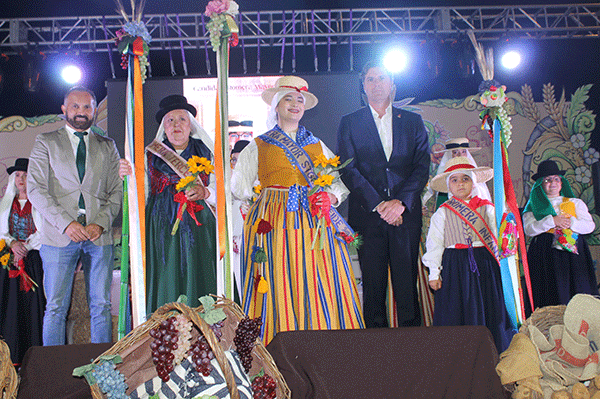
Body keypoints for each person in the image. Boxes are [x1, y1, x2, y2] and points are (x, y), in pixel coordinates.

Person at [232, 76, 364, 344]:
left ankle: (321, 337)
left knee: (317, 276)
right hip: (273, 218)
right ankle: (276, 340)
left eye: (299, 100)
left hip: (313, 219)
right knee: (277, 275)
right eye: (288, 99)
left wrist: (331, 198)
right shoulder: (258, 145)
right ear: (276, 106)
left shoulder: (317, 145)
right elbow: (239, 187)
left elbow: (338, 183)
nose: (294, 104)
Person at [337, 61, 430, 328]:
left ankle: (413, 347)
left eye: (381, 78)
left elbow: (422, 165)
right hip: (368, 216)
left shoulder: (412, 121)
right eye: (370, 79)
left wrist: (400, 203)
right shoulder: (350, 122)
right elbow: (347, 168)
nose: (376, 84)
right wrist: (380, 204)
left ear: (392, 84)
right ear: (363, 86)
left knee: (406, 283)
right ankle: (375, 350)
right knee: (373, 285)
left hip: (405, 215)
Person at [27, 87, 122, 346]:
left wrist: (100, 224)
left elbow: (116, 192)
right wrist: (66, 224)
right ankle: (54, 374)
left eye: (87, 107)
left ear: (94, 110)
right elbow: (35, 189)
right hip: (58, 237)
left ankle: (103, 371)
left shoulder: (107, 145)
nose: (81, 112)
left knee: (101, 306)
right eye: (75, 107)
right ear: (64, 110)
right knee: (56, 308)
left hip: (97, 238)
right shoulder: (45, 141)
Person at [120, 94, 217, 314]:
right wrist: (127, 176)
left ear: (191, 124)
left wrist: (206, 191)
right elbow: (139, 192)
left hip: (199, 223)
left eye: (182, 119)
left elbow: (223, 188)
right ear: (164, 126)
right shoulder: (149, 154)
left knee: (199, 271)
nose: (176, 125)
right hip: (162, 224)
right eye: (170, 120)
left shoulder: (208, 152)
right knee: (167, 273)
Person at [422, 157, 515, 352]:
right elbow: (435, 244)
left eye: (465, 179)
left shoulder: (488, 207)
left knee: (488, 305)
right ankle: (460, 351)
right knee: (458, 308)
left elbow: (501, 233)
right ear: (449, 186)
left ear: (473, 182)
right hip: (455, 265)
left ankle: (492, 349)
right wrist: (434, 273)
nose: (460, 184)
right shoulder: (442, 213)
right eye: (454, 180)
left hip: (485, 263)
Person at [523, 159, 599, 309]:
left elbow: (590, 226)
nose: (553, 183)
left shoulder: (575, 203)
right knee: (549, 289)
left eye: (556, 179)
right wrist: (552, 221)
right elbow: (529, 230)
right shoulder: (533, 206)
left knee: (575, 286)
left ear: (562, 182)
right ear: (540, 184)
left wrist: (572, 223)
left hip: (573, 255)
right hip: (545, 254)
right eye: (547, 180)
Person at [0, 158, 45, 364]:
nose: (21, 179)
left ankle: (33, 354)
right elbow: (2, 231)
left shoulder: (39, 204)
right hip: (7, 261)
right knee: (9, 305)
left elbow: (43, 231)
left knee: (32, 306)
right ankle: (9, 356)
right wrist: (12, 245)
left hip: (32, 260)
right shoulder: (5, 204)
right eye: (18, 175)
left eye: (25, 175)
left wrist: (25, 247)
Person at [423, 137, 492, 209]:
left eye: (464, 151)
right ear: (449, 155)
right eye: (455, 152)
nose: (460, 155)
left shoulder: (477, 182)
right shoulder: (444, 185)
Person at [230, 139, 250, 299]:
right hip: (235, 236)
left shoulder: (260, 180)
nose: (237, 164)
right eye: (234, 160)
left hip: (256, 236)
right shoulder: (226, 180)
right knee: (237, 276)